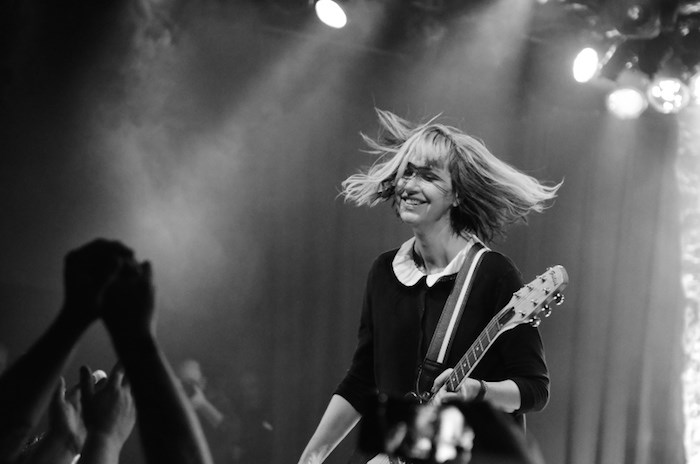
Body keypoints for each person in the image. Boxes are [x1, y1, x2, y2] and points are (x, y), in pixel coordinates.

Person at [297, 109, 561, 464]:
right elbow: (362, 380)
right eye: (407, 172)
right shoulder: (384, 272)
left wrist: (476, 390)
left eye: (428, 176)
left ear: (457, 195)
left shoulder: (491, 274)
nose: (409, 185)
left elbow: (534, 389)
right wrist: (312, 455)